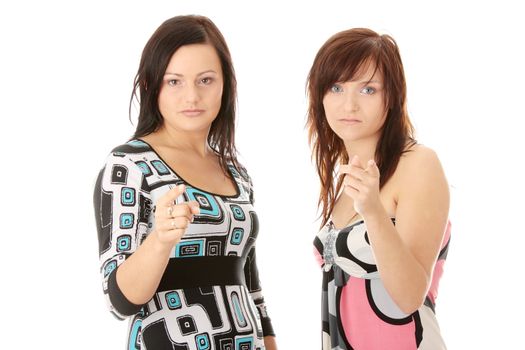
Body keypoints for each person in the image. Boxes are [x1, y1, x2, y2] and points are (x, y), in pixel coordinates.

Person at [93, 15, 277, 350]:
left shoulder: (235, 171)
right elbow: (119, 301)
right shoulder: (130, 166)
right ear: (151, 86)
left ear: (225, 85)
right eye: (174, 81)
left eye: (205, 80)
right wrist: (161, 240)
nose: (191, 96)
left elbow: (250, 283)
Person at [307, 28, 451, 349]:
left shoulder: (418, 164)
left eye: (368, 89)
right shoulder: (348, 176)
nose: (349, 105)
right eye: (336, 87)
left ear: (393, 96)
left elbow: (410, 296)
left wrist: (373, 212)